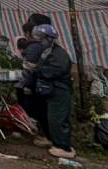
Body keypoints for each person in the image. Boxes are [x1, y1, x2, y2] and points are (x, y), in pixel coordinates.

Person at [29, 24, 76, 159]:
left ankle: (64, 147)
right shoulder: (48, 51)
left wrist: (36, 70)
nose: (39, 41)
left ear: (49, 39)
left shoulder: (59, 54)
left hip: (60, 90)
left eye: (41, 39)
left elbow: (54, 71)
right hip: (51, 89)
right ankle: (52, 139)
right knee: (48, 116)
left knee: (58, 118)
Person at [17, 13, 54, 146]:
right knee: (43, 109)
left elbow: (29, 69)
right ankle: (45, 134)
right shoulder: (49, 45)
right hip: (46, 83)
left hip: (36, 84)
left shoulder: (34, 47)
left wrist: (27, 86)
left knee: (37, 110)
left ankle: (43, 135)